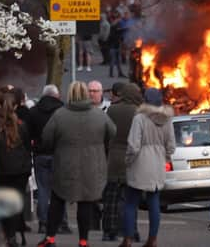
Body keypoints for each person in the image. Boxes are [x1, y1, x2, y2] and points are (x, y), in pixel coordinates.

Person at [37, 81, 116, 247]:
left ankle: (50, 238)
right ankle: (83, 240)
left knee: (57, 201)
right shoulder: (98, 115)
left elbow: (46, 138)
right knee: (85, 203)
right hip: (92, 166)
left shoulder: (59, 115)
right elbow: (112, 132)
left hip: (64, 165)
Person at [121, 88, 176, 247]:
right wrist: (163, 157)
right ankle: (152, 240)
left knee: (131, 203)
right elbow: (171, 146)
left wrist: (128, 161)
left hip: (139, 163)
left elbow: (133, 145)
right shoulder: (167, 120)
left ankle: (128, 239)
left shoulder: (139, 118)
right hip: (158, 165)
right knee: (154, 203)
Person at [101, 82, 143, 241]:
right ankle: (131, 230)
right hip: (131, 159)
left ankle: (108, 230)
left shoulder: (112, 109)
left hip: (113, 157)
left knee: (111, 196)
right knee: (130, 198)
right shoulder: (138, 112)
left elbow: (106, 133)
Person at [28, 85, 70, 235]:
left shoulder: (33, 111)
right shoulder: (63, 111)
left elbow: (29, 133)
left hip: (40, 155)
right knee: (60, 190)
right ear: (57, 96)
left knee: (43, 191)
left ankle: (43, 223)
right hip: (59, 154)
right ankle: (62, 222)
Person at [0, 91, 32, 247]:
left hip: (0, 171)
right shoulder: (21, 125)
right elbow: (28, 146)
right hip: (19, 171)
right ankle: (12, 235)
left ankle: (5, 235)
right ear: (15, 106)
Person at [107, 12, 124, 78]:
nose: (120, 20)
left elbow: (119, 35)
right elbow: (111, 36)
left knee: (118, 61)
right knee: (113, 61)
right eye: (119, 18)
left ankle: (120, 73)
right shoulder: (113, 26)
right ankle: (111, 74)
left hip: (116, 45)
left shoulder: (117, 25)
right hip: (113, 46)